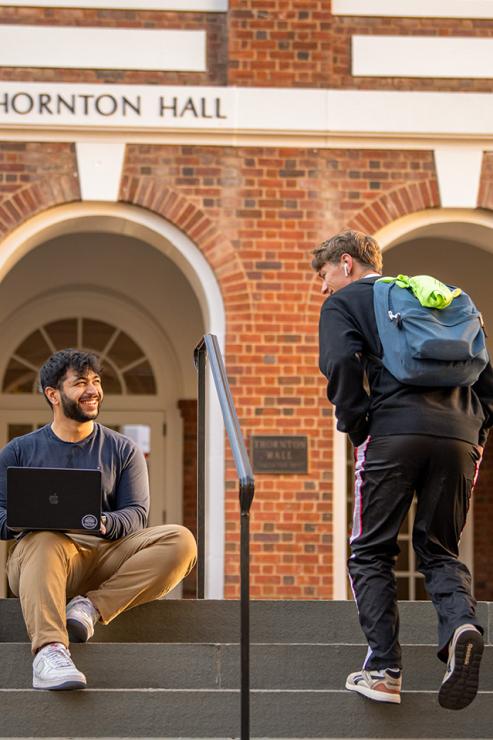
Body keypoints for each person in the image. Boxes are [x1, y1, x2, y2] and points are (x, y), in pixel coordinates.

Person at [312, 229, 493, 710]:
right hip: (459, 434)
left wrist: (358, 425)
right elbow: (486, 374)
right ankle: (461, 627)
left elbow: (340, 366)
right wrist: (475, 431)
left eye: (325, 275)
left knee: (370, 551)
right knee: (440, 547)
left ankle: (384, 670)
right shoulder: (438, 298)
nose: (323, 287)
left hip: (392, 431)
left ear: (346, 263)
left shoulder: (346, 302)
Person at [0, 349, 197, 691]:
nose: (92, 390)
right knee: (46, 537)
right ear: (53, 394)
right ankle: (49, 651)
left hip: (104, 556)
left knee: (181, 541)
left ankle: (89, 608)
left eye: (96, 381)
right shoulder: (18, 451)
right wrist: (25, 519)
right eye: (80, 383)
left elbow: (136, 515)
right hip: (40, 560)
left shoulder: (123, 450)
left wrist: (101, 523)